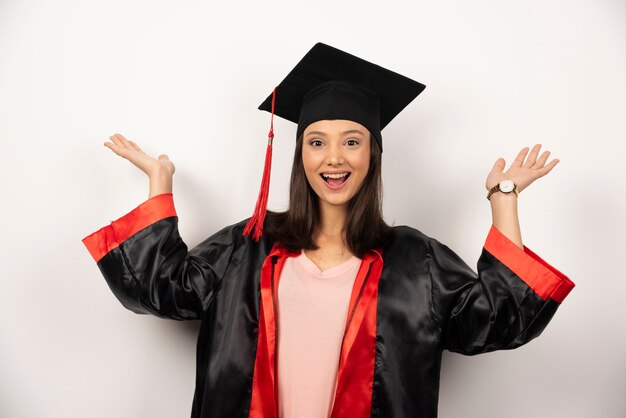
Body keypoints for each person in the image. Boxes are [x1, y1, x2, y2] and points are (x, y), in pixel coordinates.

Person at [82, 42, 575, 418]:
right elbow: (159, 288)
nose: (334, 158)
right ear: (300, 155)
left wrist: (503, 198)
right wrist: (159, 186)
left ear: (373, 156)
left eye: (352, 142)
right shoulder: (248, 246)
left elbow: (496, 319)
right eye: (317, 141)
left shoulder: (413, 259)